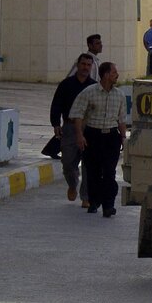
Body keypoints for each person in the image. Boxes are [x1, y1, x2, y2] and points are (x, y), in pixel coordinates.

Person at [70, 62, 126, 218]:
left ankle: (108, 205)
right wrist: (80, 136)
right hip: (93, 136)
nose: (117, 75)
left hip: (111, 138)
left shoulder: (119, 95)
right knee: (93, 172)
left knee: (109, 173)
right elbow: (78, 114)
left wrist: (123, 139)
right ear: (106, 75)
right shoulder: (89, 92)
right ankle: (94, 201)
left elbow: (121, 120)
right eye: (114, 72)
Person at [51, 53, 97, 206]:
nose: (85, 68)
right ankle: (72, 184)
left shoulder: (94, 87)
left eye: (88, 65)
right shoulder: (66, 84)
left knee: (88, 164)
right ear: (78, 65)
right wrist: (56, 124)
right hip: (70, 127)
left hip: (89, 127)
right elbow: (56, 104)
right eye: (83, 64)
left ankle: (86, 197)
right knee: (68, 162)